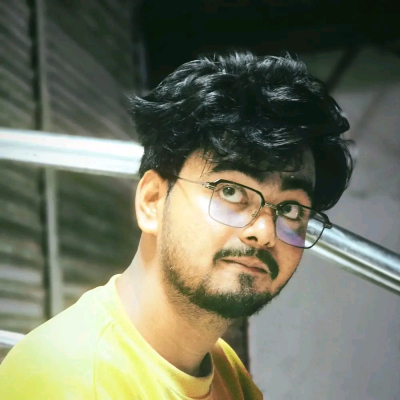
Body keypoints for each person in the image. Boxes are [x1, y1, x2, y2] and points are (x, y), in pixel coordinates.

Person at [0, 51, 353, 399]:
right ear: (153, 200)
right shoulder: (69, 382)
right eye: (231, 191)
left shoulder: (221, 365)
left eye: (290, 209)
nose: (264, 233)